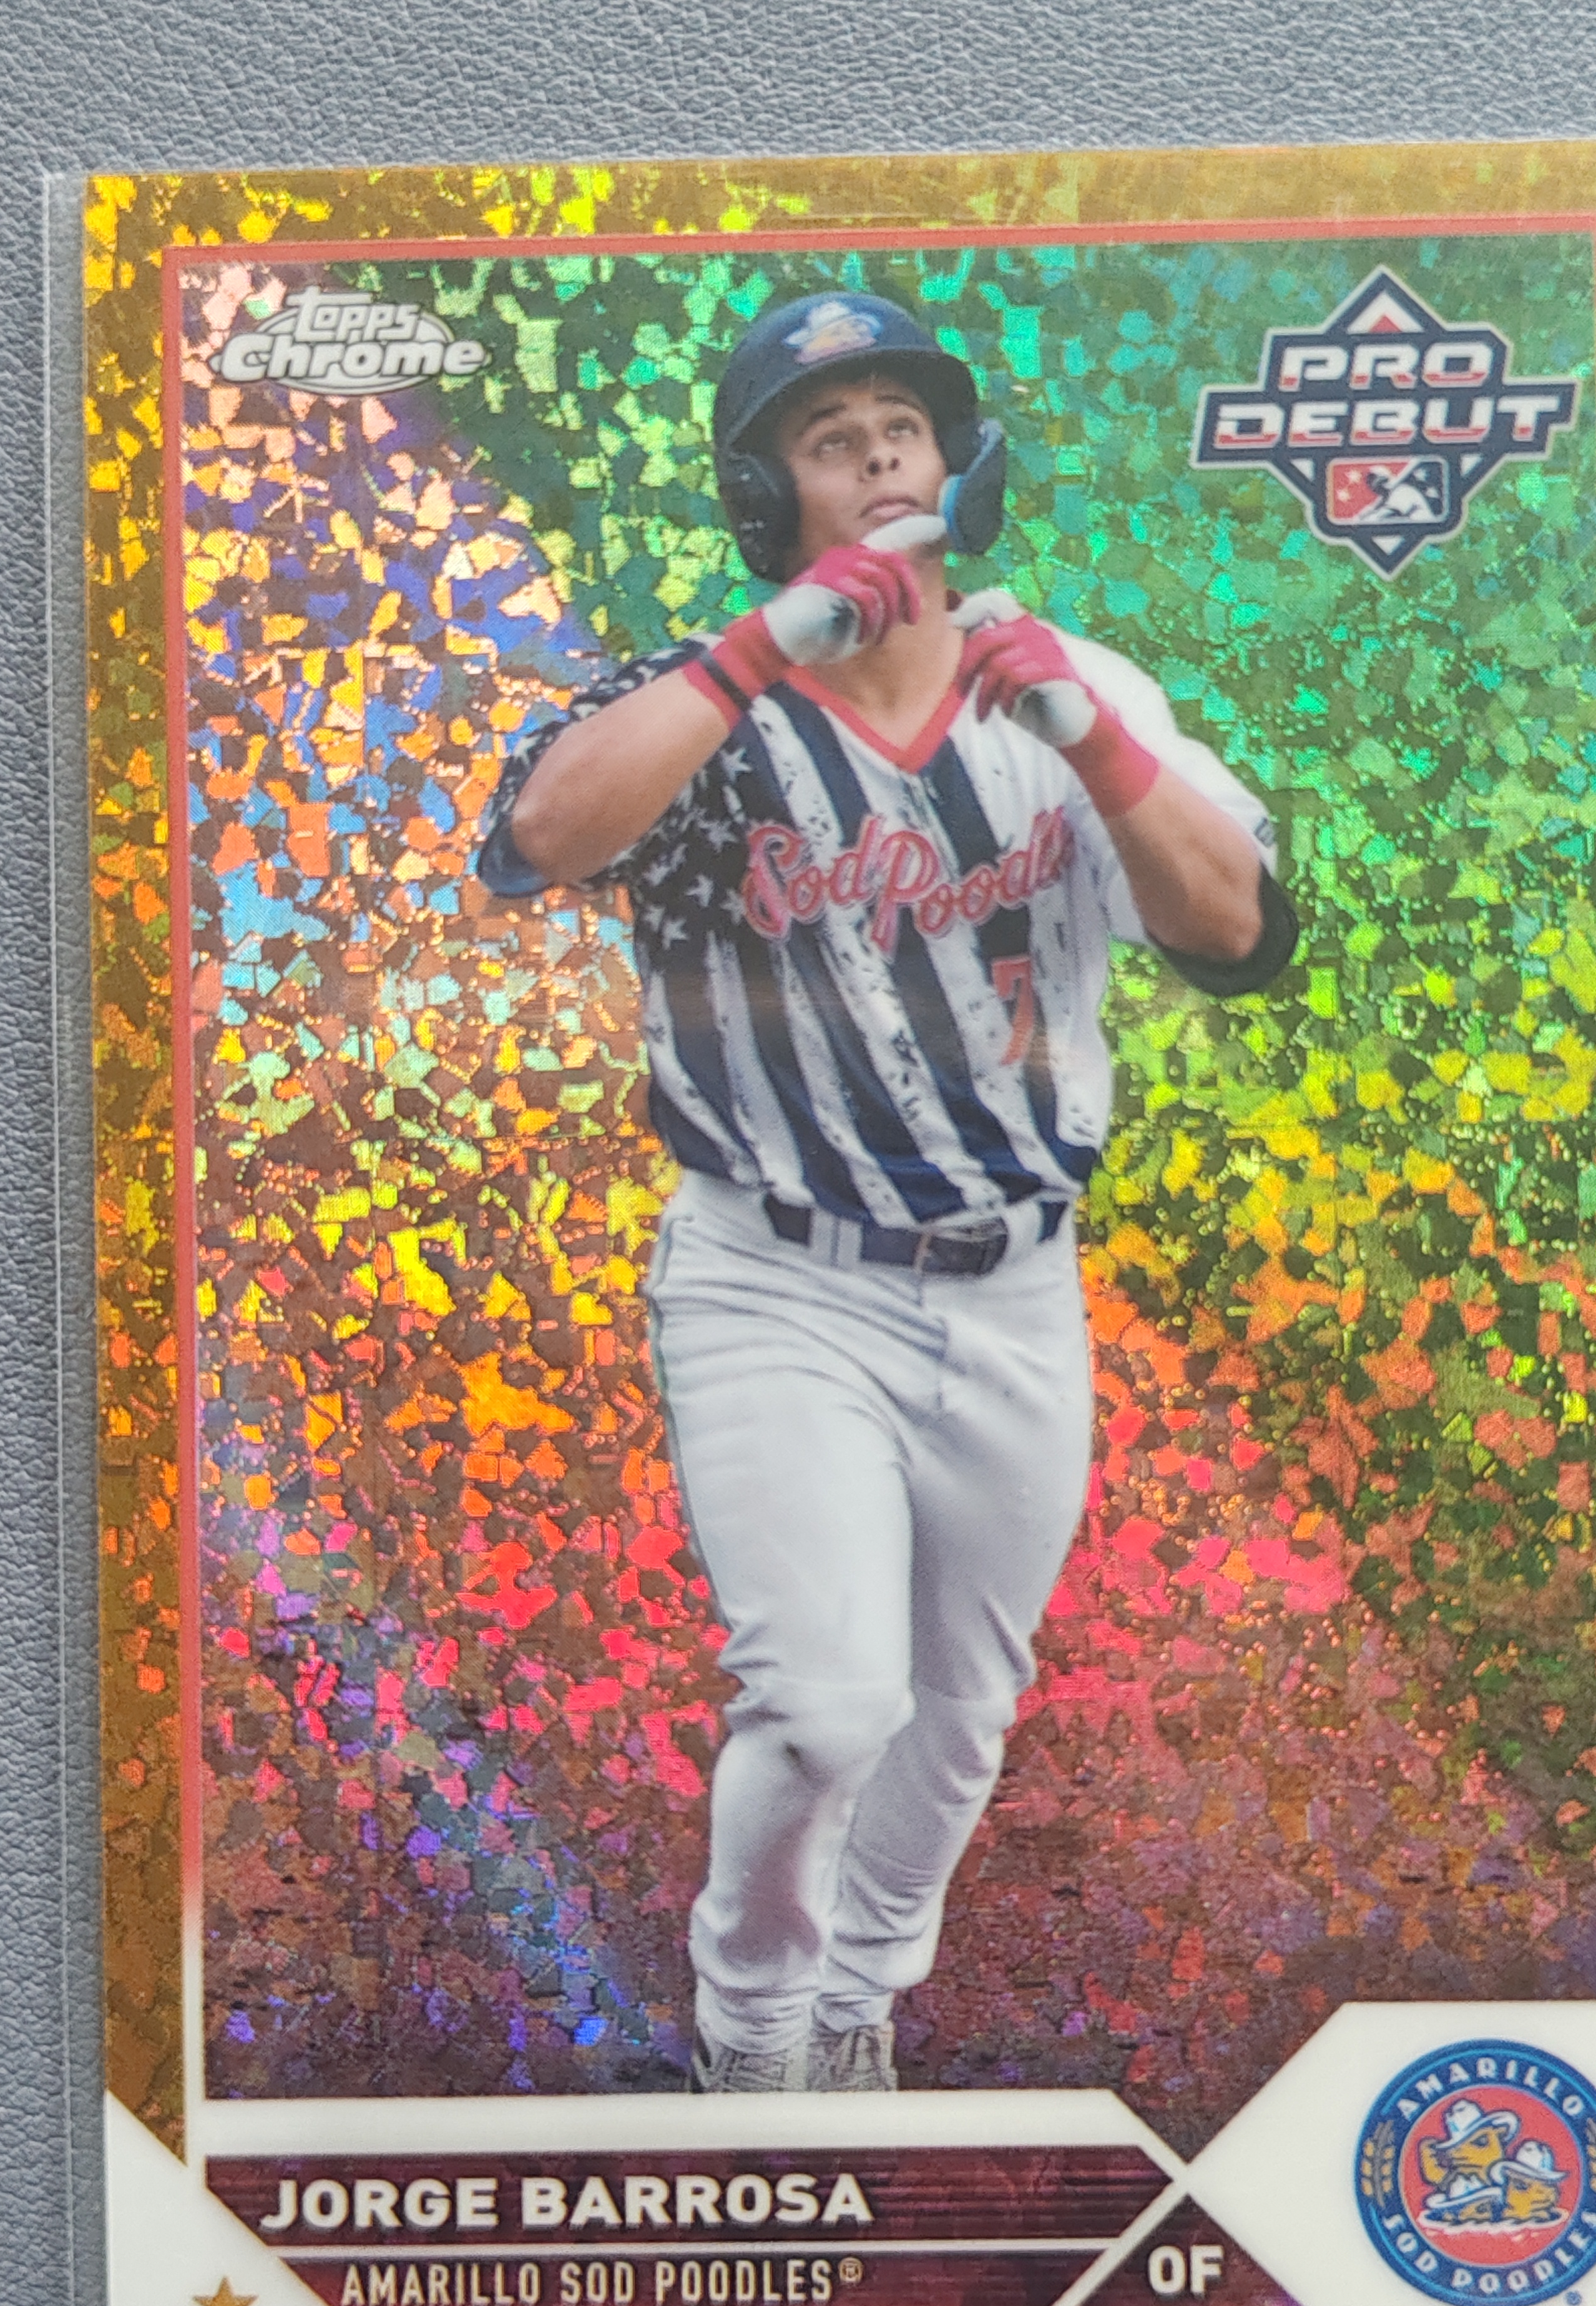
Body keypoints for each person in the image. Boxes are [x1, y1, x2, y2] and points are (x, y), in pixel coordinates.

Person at [476, 288, 1298, 2093]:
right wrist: (754, 652)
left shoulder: (1072, 691)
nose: (876, 466)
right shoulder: (707, 709)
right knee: (829, 1701)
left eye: (901, 431)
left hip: (1014, 1282)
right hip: (777, 1275)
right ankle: (755, 2033)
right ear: (764, 497)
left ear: (959, 463)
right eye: (829, 440)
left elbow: (1241, 935)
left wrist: (1091, 738)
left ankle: (858, 2000)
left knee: (959, 1715)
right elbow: (537, 841)